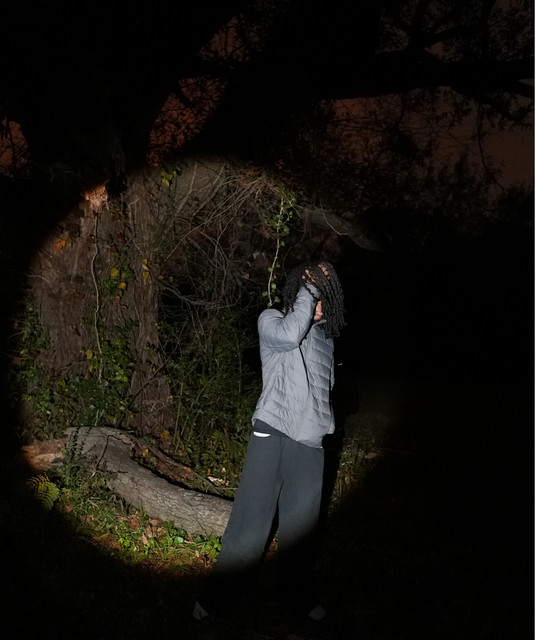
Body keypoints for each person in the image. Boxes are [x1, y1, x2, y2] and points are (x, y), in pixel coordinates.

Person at [193, 260, 345, 622]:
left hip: (310, 445)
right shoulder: (272, 320)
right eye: (310, 289)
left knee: (301, 532)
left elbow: (326, 389)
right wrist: (310, 289)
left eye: (323, 292)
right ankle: (219, 596)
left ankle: (296, 597)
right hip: (273, 432)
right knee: (250, 524)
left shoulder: (326, 340)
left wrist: (324, 424)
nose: (316, 299)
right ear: (298, 290)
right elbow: (291, 336)